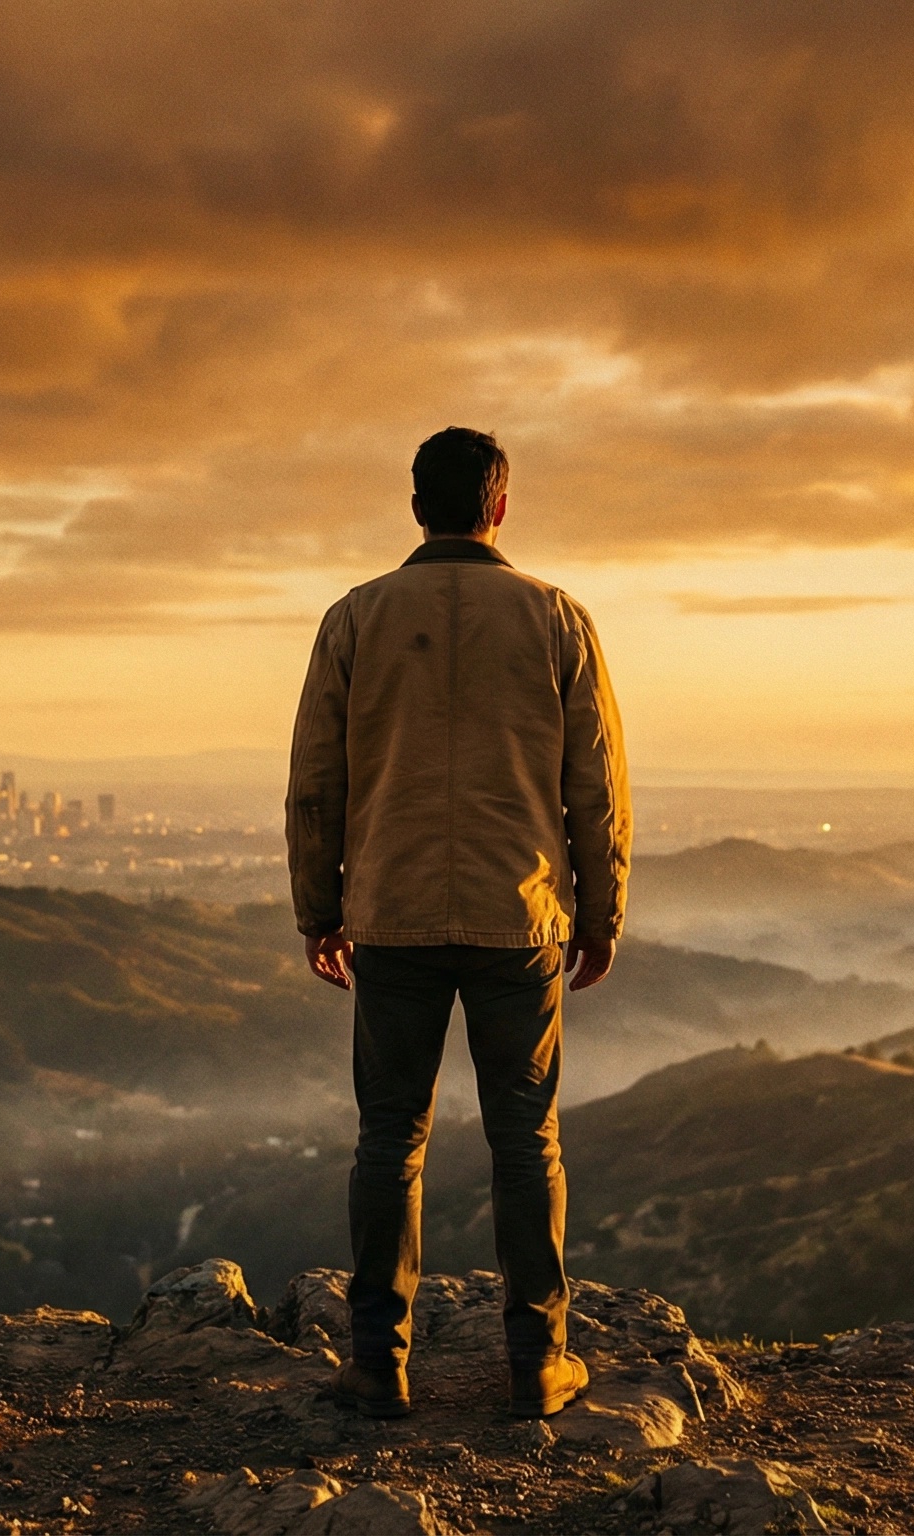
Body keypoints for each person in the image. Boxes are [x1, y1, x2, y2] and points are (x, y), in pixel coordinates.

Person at [285, 425, 631, 1420]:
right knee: (527, 1139)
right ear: (501, 506)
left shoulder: (354, 619)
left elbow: (317, 783)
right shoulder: (556, 619)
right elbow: (594, 790)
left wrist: (320, 907)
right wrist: (600, 915)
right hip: (517, 919)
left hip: (388, 915)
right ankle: (539, 1362)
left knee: (389, 1136)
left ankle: (377, 1364)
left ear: (414, 506)